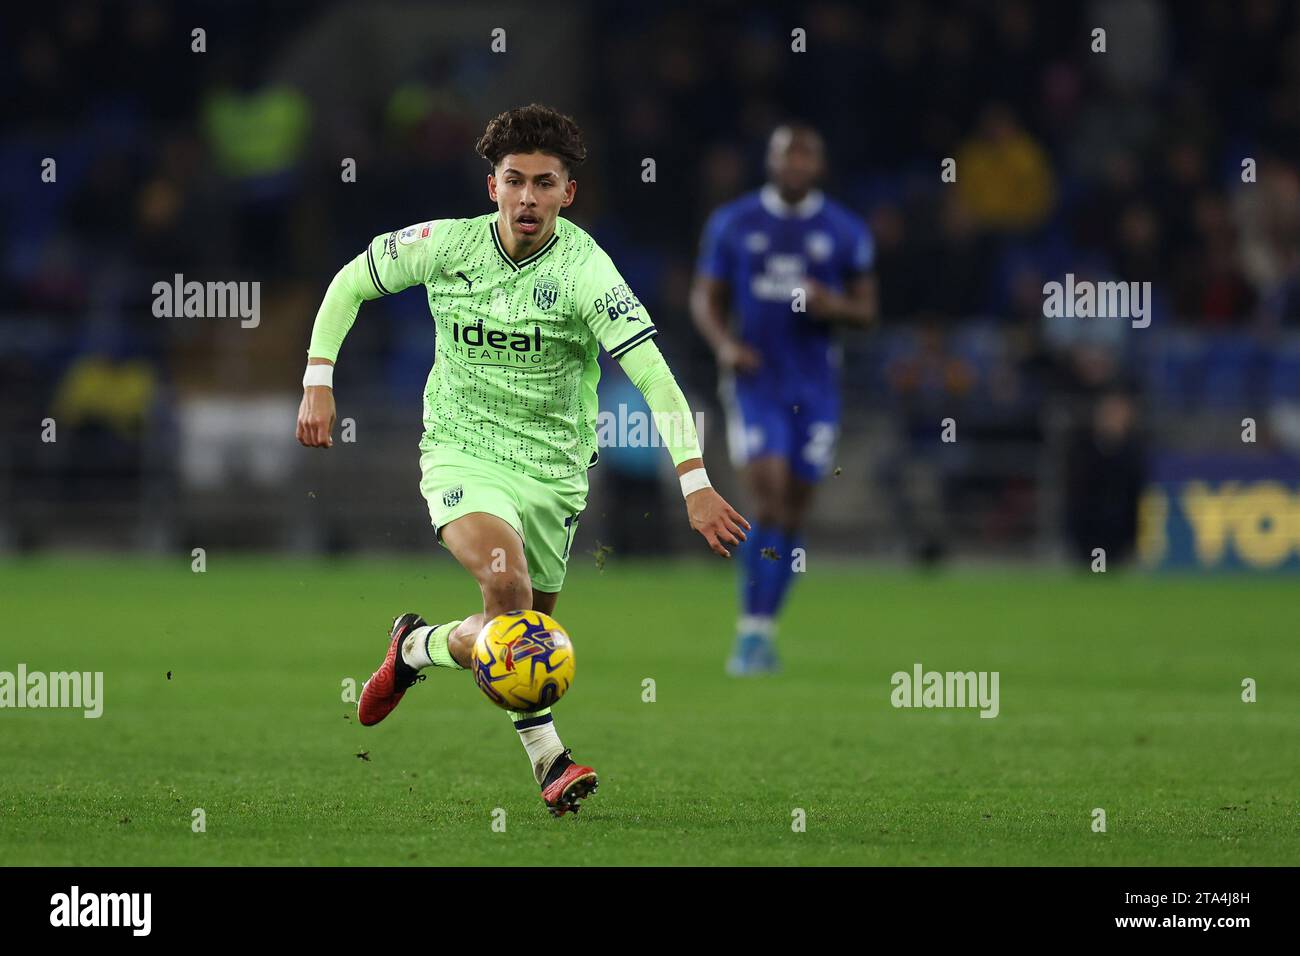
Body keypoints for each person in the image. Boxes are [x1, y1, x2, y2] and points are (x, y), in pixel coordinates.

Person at [296, 104, 748, 815]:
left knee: (521, 644)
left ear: (568, 193)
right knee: (508, 596)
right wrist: (318, 378)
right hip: (462, 452)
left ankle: (416, 647)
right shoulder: (447, 246)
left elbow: (655, 375)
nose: (528, 197)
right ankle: (551, 762)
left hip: (553, 473)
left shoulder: (586, 271)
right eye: (515, 181)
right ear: (492, 188)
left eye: (544, 183)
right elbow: (352, 280)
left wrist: (695, 481)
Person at [690, 124, 876, 674]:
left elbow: (867, 311)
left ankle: (762, 629)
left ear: (818, 165)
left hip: (816, 387)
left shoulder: (843, 230)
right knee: (767, 497)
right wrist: (725, 344)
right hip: (757, 380)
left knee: (793, 511)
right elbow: (706, 296)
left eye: (805, 157)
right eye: (785, 156)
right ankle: (749, 631)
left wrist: (833, 306)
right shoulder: (734, 223)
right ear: (770, 162)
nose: (795, 165)